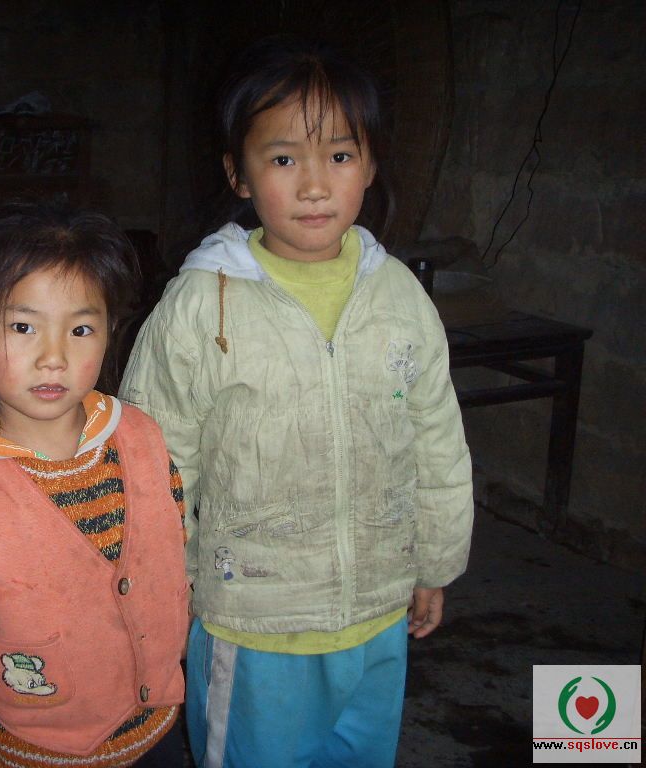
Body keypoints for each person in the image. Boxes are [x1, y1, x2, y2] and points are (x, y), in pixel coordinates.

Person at [120, 36, 473, 768]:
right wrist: (161, 593)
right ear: (239, 174)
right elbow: (154, 463)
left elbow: (437, 435)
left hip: (377, 614)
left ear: (369, 166)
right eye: (284, 160)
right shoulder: (201, 304)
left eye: (340, 156)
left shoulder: (398, 296)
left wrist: (435, 562)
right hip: (254, 624)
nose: (314, 185)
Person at [0, 202, 189, 768]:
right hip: (32, 751)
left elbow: (168, 560)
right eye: (23, 327)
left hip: (156, 728)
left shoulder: (141, 437)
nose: (54, 358)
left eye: (81, 329)